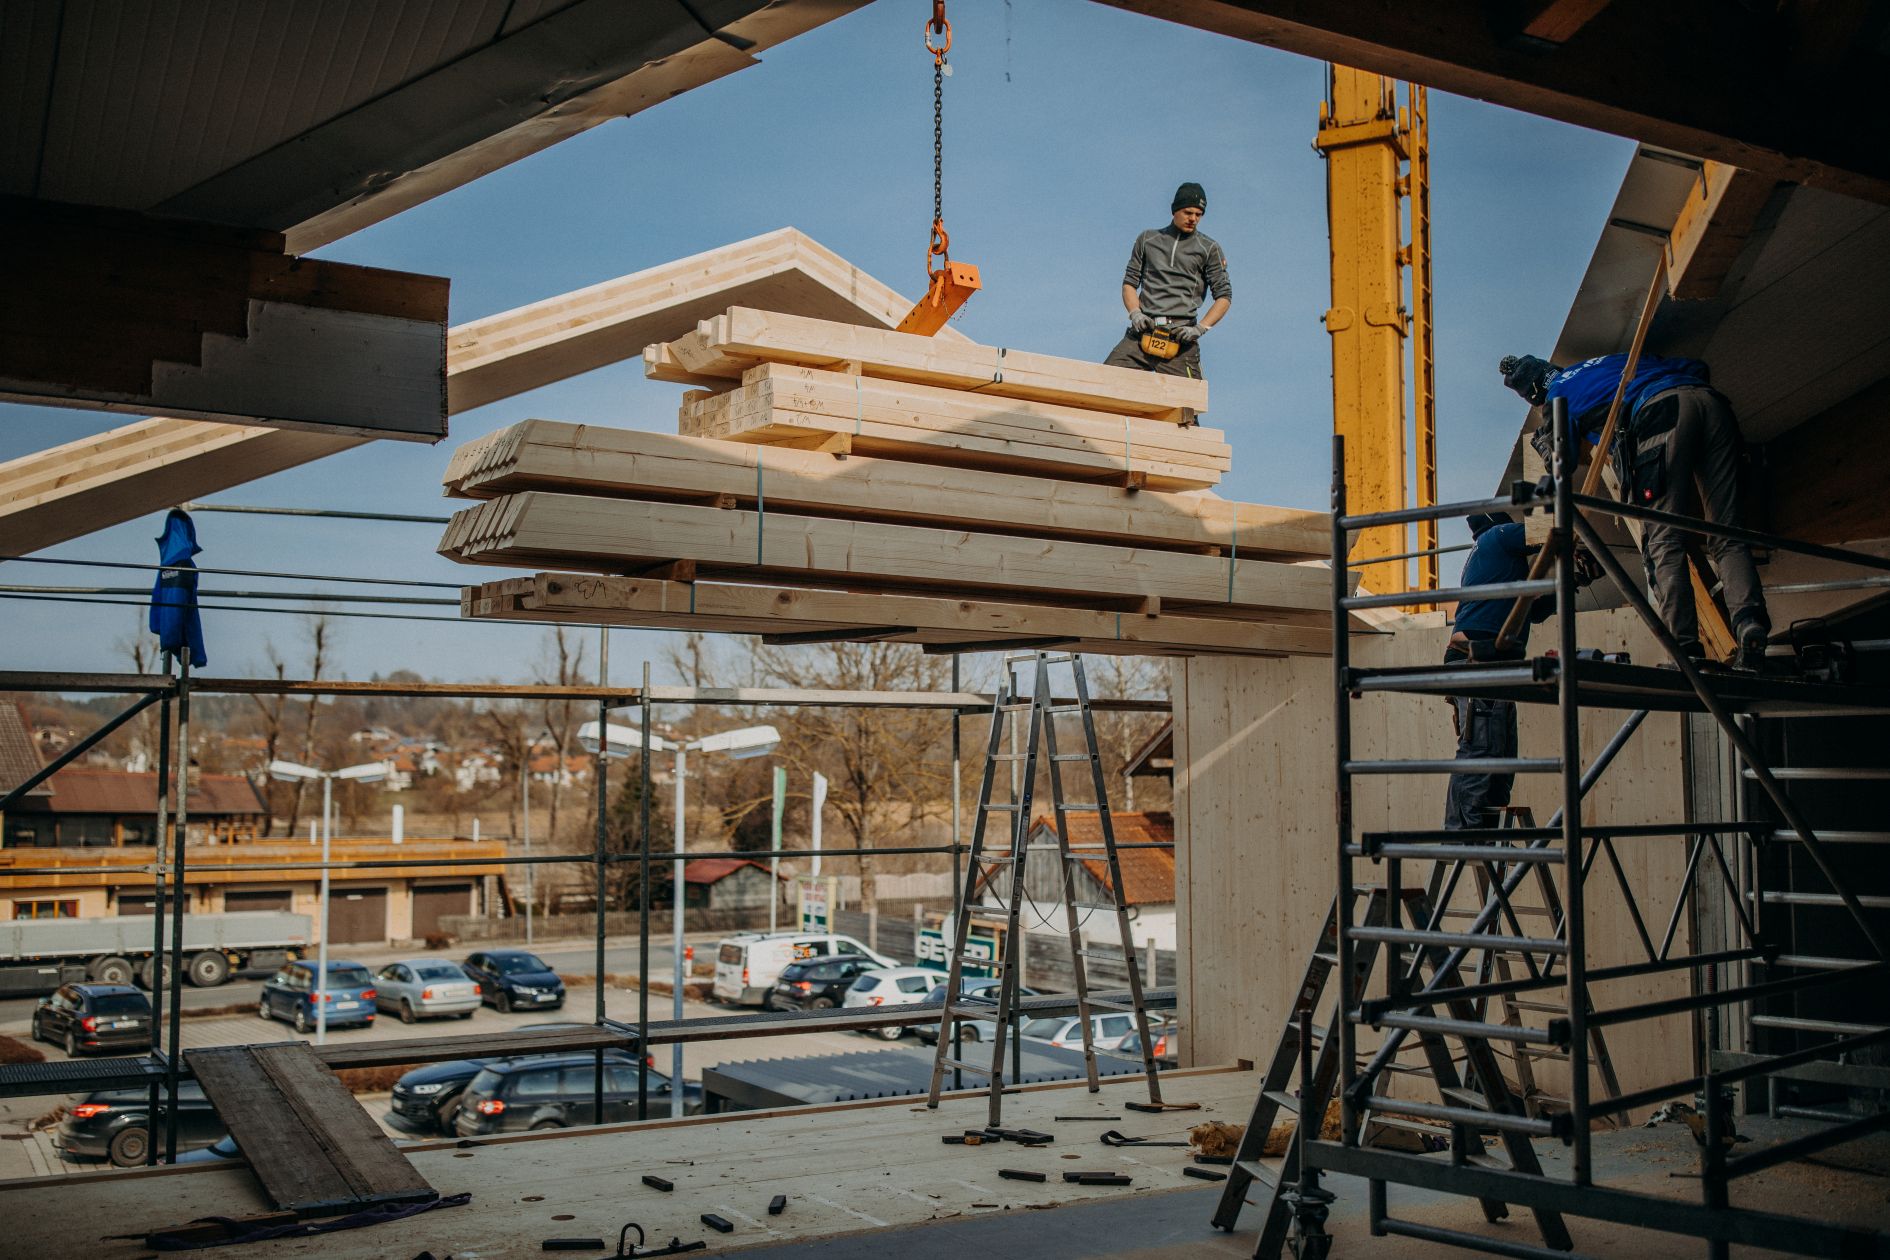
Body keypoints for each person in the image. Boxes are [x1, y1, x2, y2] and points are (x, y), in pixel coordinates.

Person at [1502, 352, 1770, 669]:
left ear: (1534, 395)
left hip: (1660, 415)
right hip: (1711, 404)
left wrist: (1544, 442)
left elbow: (1564, 460)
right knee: (1727, 531)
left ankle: (1685, 649)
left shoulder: (1559, 394)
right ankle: (1748, 621)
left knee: (1663, 539)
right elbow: (1698, 366)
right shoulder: (1613, 361)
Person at [1443, 512, 1554, 830]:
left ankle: (1485, 823)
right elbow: (1542, 532)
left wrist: (1567, 584)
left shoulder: (1495, 565)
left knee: (1501, 748)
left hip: (1489, 662)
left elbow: (1534, 611)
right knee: (1482, 747)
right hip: (1475, 659)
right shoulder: (1497, 536)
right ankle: (1466, 829)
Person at [1103, 182, 1232, 379]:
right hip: (1142, 334)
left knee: (1187, 404)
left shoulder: (1209, 248)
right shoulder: (1147, 239)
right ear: (1175, 210)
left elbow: (1224, 297)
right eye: (1188, 212)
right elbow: (1130, 282)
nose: (1193, 219)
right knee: (1104, 381)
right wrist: (1135, 313)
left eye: (1198, 214)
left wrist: (1200, 329)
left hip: (1181, 341)